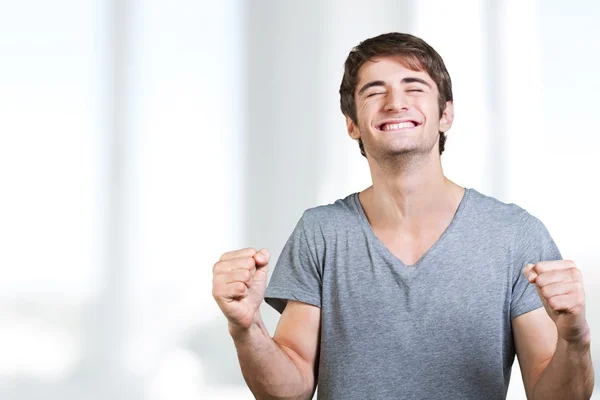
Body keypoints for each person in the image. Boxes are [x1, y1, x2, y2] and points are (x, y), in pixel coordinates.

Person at [211, 32, 594, 399]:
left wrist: (575, 339)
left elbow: (555, 396)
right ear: (352, 125)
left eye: (414, 87)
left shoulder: (515, 235)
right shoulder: (321, 232)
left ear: (446, 115)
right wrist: (247, 328)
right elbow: (289, 391)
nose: (395, 102)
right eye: (374, 91)